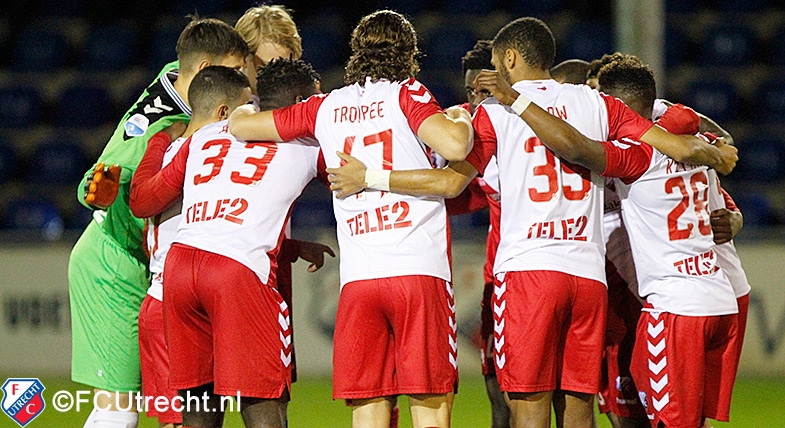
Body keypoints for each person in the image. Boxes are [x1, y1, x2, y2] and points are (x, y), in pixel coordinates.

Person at [326, 17, 737, 428]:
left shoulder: (496, 111)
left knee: (528, 406)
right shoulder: (599, 103)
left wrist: (371, 178)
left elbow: (452, 184)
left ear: (509, 57)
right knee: (579, 407)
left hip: (529, 273)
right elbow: (670, 142)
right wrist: (718, 152)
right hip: (587, 274)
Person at [229, 10, 474, 427]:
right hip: (417, 271)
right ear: (408, 54)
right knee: (430, 408)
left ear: (357, 53)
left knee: (368, 411)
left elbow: (242, 125)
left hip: (359, 281)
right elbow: (454, 146)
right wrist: (463, 118)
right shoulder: (406, 93)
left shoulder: (326, 107)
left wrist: (238, 109)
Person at [475, 51, 741, 428]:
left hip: (666, 303)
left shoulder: (636, 156)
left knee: (647, 413)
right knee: (664, 413)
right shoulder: (688, 139)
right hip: (710, 295)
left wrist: (515, 100)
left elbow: (577, 148)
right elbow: (718, 183)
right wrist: (731, 196)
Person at [69, 18, 248, 428]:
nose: (242, 79)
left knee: (177, 407)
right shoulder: (160, 120)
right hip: (112, 260)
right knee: (119, 408)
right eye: (236, 70)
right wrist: (99, 190)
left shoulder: (178, 76)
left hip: (150, 266)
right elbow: (96, 182)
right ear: (205, 70)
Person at [129, 62, 322, 428]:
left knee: (198, 405)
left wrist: (158, 141)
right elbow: (354, 178)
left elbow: (145, 200)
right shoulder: (311, 143)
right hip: (237, 269)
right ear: (300, 102)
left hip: (180, 268)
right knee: (264, 398)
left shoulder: (206, 136)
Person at [596, 57, 750, 428]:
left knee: (668, 419)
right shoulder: (697, 147)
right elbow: (716, 152)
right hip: (720, 296)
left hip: (675, 306)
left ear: (617, 107)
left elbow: (576, 148)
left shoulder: (634, 156)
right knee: (690, 417)